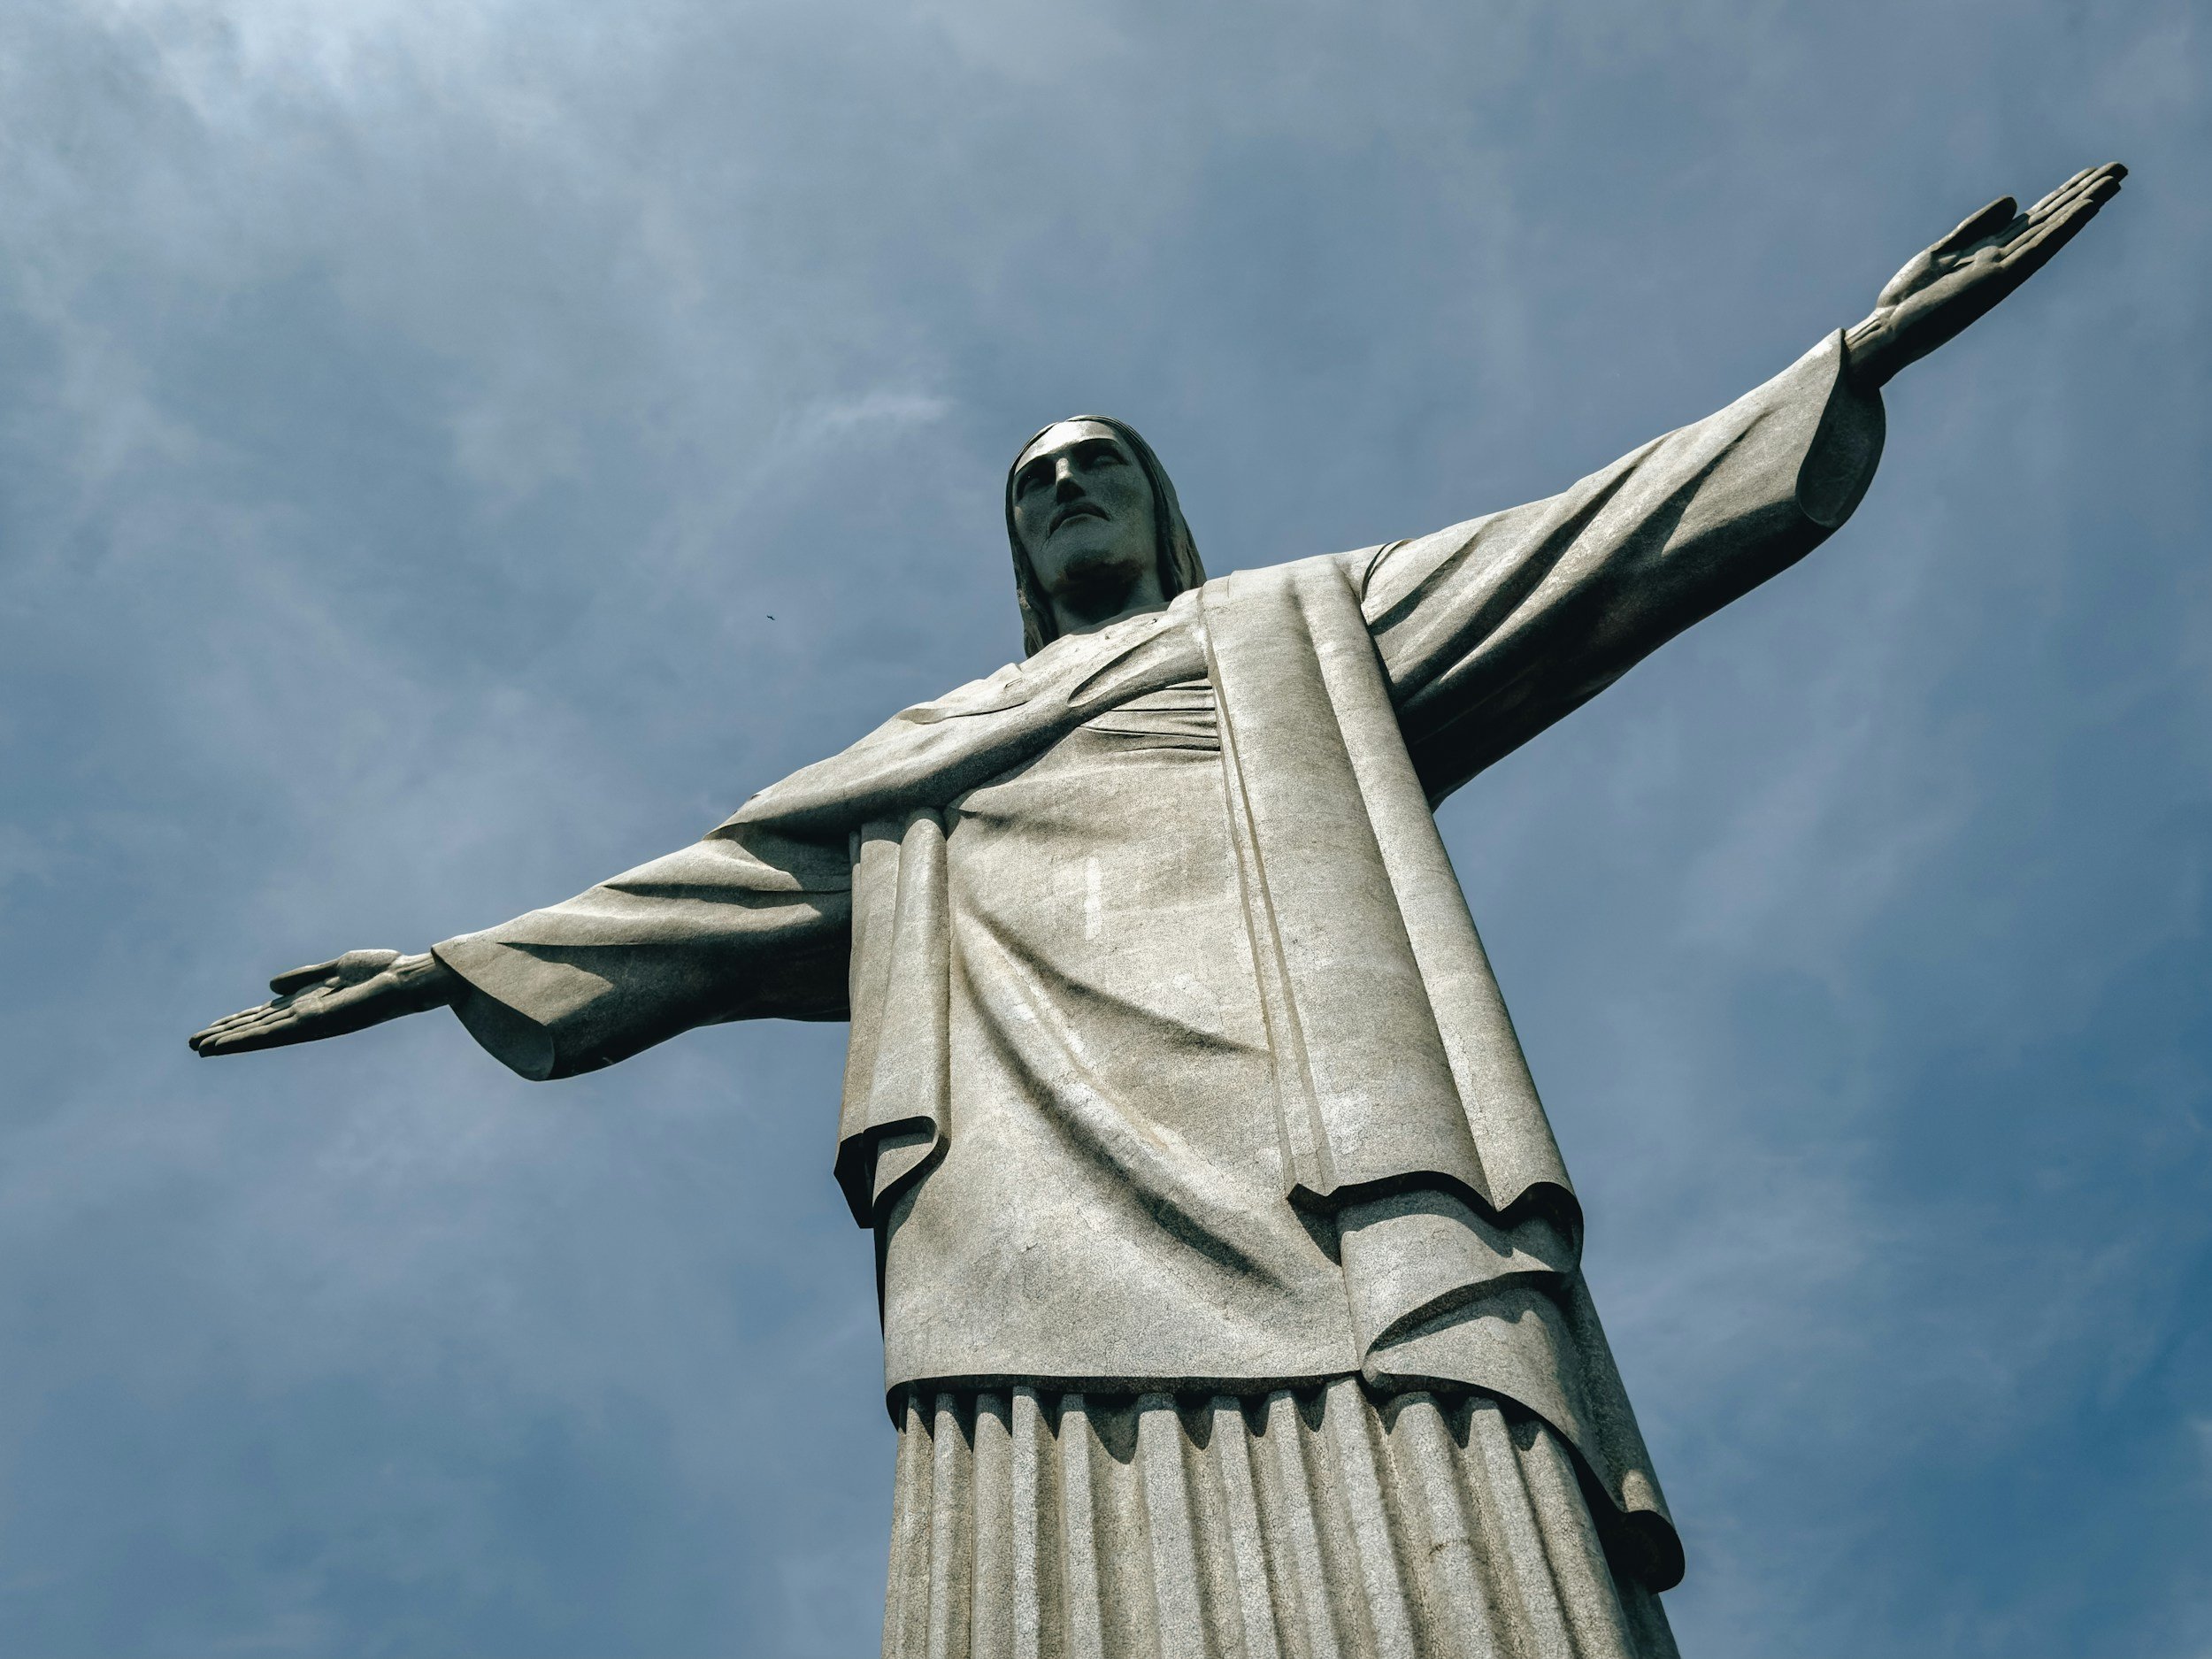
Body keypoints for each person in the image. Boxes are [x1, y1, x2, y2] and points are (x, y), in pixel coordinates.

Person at [193, 165, 2124, 1659]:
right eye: (1029, 484)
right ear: (1011, 549)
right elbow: (696, 895)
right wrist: (439, 960)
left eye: (1093, 464)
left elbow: (1585, 540)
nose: (1059, 490)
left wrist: (1844, 364)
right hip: (1020, 1189)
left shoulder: (1298, 630)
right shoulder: (924, 750)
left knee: (1444, 1478)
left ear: (1159, 505)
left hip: (1323, 1142)